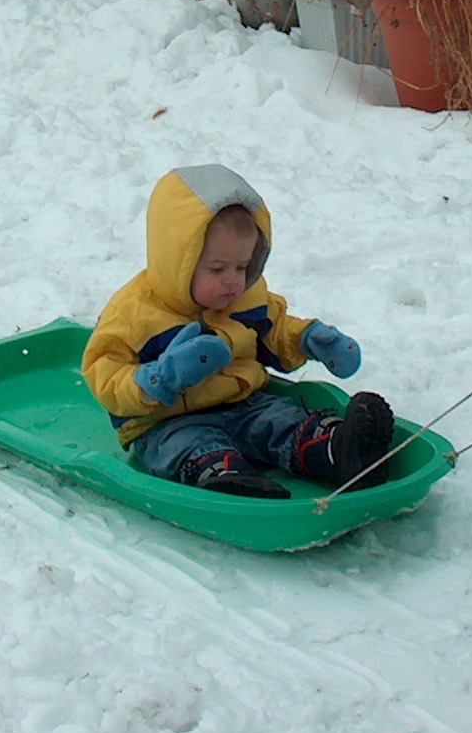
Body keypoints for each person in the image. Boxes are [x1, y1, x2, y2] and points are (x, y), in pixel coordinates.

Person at [83, 164, 395, 500]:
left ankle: (340, 449)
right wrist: (157, 380)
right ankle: (226, 477)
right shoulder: (133, 313)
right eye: (217, 269)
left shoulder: (247, 295)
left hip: (244, 404)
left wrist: (306, 339)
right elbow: (104, 372)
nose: (233, 280)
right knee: (189, 446)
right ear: (176, 261)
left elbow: (273, 330)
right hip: (165, 422)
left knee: (280, 420)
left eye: (242, 266)